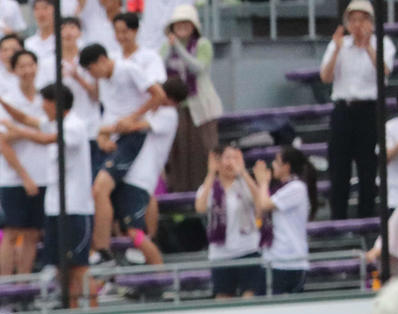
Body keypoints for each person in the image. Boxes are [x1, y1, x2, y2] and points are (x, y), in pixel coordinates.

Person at [3, 84, 93, 304]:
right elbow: (27, 119)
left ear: (55, 103)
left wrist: (18, 133)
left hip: (75, 207)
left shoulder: (74, 126)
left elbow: (45, 139)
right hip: (54, 207)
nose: (42, 107)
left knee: (78, 266)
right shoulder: (53, 124)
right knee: (60, 265)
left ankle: (92, 309)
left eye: (45, 102)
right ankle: (69, 308)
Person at [81, 42, 162, 261]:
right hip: (114, 136)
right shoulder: (104, 81)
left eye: (91, 69)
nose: (92, 75)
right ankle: (102, 247)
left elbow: (158, 95)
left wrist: (133, 118)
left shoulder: (128, 70)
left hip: (132, 136)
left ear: (101, 60)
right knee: (97, 191)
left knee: (101, 188)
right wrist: (102, 136)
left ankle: (102, 248)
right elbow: (110, 113)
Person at [320, 0, 396, 220]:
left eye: (362, 19)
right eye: (353, 20)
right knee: (338, 168)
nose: (357, 24)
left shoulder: (383, 43)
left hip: (369, 111)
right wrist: (336, 49)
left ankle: (366, 219)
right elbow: (325, 77)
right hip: (343, 110)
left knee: (367, 168)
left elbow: (385, 73)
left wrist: (369, 46)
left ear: (370, 22)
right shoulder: (338, 44)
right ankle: (338, 221)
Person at [107, 77, 187, 268]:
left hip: (140, 180)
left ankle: (160, 275)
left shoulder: (168, 115)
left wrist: (102, 130)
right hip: (129, 176)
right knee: (126, 231)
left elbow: (134, 126)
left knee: (136, 234)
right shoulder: (157, 112)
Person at [0, 50, 48, 276]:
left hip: (43, 174)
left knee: (33, 233)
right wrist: (35, 129)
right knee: (12, 231)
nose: (27, 71)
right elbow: (3, 140)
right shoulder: (6, 100)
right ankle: (6, 285)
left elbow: (50, 129)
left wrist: (19, 130)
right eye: (22, 66)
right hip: (13, 178)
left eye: (30, 65)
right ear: (14, 70)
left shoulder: (45, 99)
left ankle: (24, 283)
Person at [160, 5, 223, 193]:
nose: (182, 27)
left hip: (201, 108)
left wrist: (178, 49)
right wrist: (170, 49)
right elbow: (159, 67)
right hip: (175, 107)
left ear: (194, 26)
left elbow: (198, 68)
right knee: (178, 153)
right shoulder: (166, 46)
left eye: (186, 23)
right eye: (178, 24)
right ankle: (178, 195)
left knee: (203, 150)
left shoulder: (203, 45)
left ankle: (208, 192)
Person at [247, 146, 319, 295]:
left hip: (289, 261)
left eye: (276, 161)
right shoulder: (279, 188)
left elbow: (266, 204)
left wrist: (263, 182)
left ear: (286, 166)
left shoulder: (296, 187)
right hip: (273, 258)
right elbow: (260, 210)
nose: (272, 165)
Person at [196, 146, 264, 299]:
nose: (231, 162)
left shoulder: (245, 185)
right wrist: (211, 174)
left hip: (247, 249)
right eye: (227, 158)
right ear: (218, 162)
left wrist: (244, 173)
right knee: (223, 300)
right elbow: (200, 207)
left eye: (235, 158)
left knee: (250, 298)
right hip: (221, 254)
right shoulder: (210, 188)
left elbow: (260, 203)